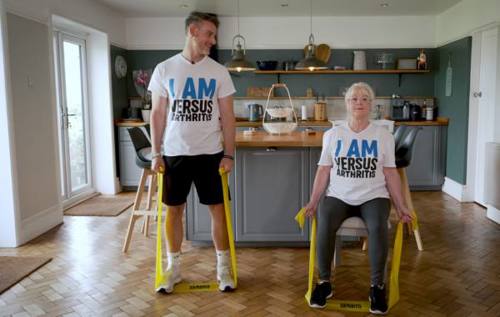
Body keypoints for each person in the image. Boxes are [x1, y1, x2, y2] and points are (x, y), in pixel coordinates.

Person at [303, 82, 412, 314]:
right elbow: (323, 170)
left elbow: (391, 173)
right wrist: (313, 202)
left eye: (364, 99)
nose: (359, 102)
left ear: (371, 104)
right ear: (346, 104)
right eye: (354, 99)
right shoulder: (332, 135)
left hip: (374, 196)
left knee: (378, 225)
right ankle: (324, 283)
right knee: (324, 219)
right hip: (338, 196)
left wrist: (402, 206)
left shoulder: (383, 136)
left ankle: (377, 287)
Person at [148, 11, 236, 293]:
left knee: (218, 211)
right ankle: (173, 268)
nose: (212, 40)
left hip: (211, 154)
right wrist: (156, 152)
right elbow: (158, 114)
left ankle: (223, 268)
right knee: (174, 211)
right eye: (209, 34)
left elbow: (228, 116)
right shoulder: (165, 69)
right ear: (192, 31)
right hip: (175, 153)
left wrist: (229, 154)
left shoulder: (218, 71)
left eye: (213, 35)